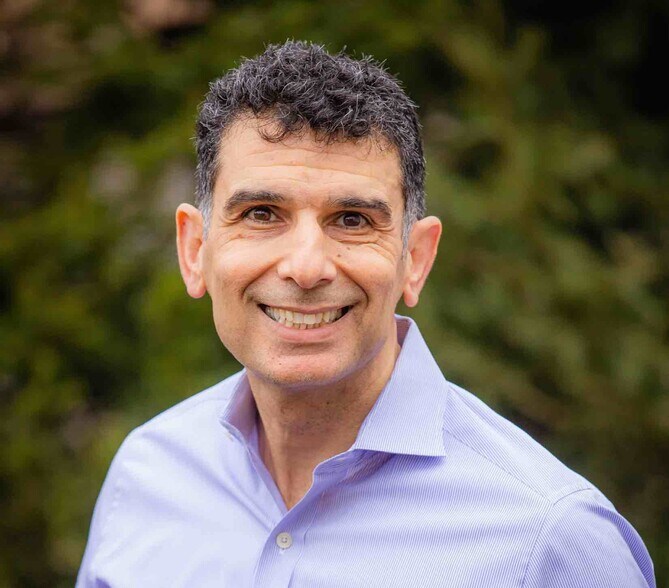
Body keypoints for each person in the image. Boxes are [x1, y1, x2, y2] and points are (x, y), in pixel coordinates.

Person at [76, 41, 655, 587]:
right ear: (194, 250)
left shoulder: (551, 541)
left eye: (352, 220)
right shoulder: (145, 477)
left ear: (415, 260)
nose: (306, 268)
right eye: (261, 213)